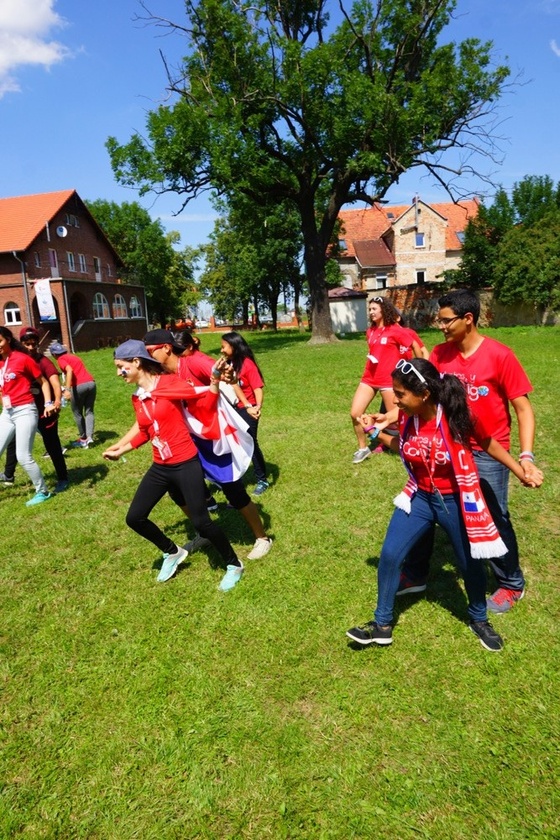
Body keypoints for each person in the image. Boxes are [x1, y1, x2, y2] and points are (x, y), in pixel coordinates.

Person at [346, 359, 543, 652]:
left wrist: (520, 469)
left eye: (400, 394)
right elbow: (402, 447)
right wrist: (376, 433)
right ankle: (381, 625)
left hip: (455, 500)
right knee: (389, 555)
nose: (395, 400)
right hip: (419, 497)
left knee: (469, 564)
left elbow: (489, 443)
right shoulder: (406, 418)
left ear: (424, 394)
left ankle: (479, 618)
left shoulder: (456, 417)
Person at [396, 289, 541, 614]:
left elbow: (523, 409)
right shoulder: (439, 355)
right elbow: (423, 396)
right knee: (427, 507)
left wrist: (526, 457)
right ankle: (416, 573)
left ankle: (510, 583)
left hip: (489, 453)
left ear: (468, 319)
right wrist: (391, 417)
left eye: (446, 320)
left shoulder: (500, 356)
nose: (441, 325)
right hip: (445, 447)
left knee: (492, 515)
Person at [102, 340, 244, 591]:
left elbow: (200, 398)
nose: (118, 373)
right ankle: (172, 552)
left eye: (120, 367)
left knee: (201, 523)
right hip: (161, 466)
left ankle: (234, 564)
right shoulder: (138, 397)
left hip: (185, 463)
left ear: (136, 363)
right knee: (134, 518)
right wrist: (121, 448)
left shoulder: (168, 384)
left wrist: (213, 381)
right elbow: (146, 430)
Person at [143, 329, 273, 560]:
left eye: (151, 351)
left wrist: (229, 377)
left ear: (166, 348)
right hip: (186, 439)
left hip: (213, 437)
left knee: (233, 490)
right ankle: (204, 531)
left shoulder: (194, 362)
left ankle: (262, 538)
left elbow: (223, 373)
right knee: (177, 490)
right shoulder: (159, 372)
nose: (148, 356)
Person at [350, 296, 425, 463]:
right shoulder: (370, 331)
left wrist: (418, 367)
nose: (371, 313)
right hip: (369, 378)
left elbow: (415, 346)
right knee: (355, 413)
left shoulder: (396, 330)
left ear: (383, 310)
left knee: (398, 418)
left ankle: (411, 447)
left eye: (374, 309)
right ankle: (362, 448)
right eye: (369, 310)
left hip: (388, 381)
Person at [0, 328, 69, 493]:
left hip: (43, 412)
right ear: (21, 343)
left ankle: (63, 478)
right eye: (27, 344)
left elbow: (53, 383)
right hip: (15, 410)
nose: (31, 347)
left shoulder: (42, 361)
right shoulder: (6, 361)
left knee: (51, 445)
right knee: (12, 443)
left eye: (33, 344)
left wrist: (55, 402)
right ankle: (9, 475)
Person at [221, 331, 270, 496]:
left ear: (233, 346)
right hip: (236, 408)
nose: (221, 350)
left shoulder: (247, 364)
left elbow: (258, 388)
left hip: (249, 409)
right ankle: (237, 479)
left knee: (250, 442)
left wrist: (256, 407)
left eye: (224, 346)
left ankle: (262, 479)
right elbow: (234, 386)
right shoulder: (231, 363)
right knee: (237, 444)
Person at [49, 342, 96, 448]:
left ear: (54, 355)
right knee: (89, 411)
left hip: (78, 386)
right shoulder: (74, 357)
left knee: (77, 413)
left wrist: (67, 389)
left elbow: (69, 370)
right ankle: (90, 437)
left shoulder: (61, 360)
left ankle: (83, 439)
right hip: (91, 383)